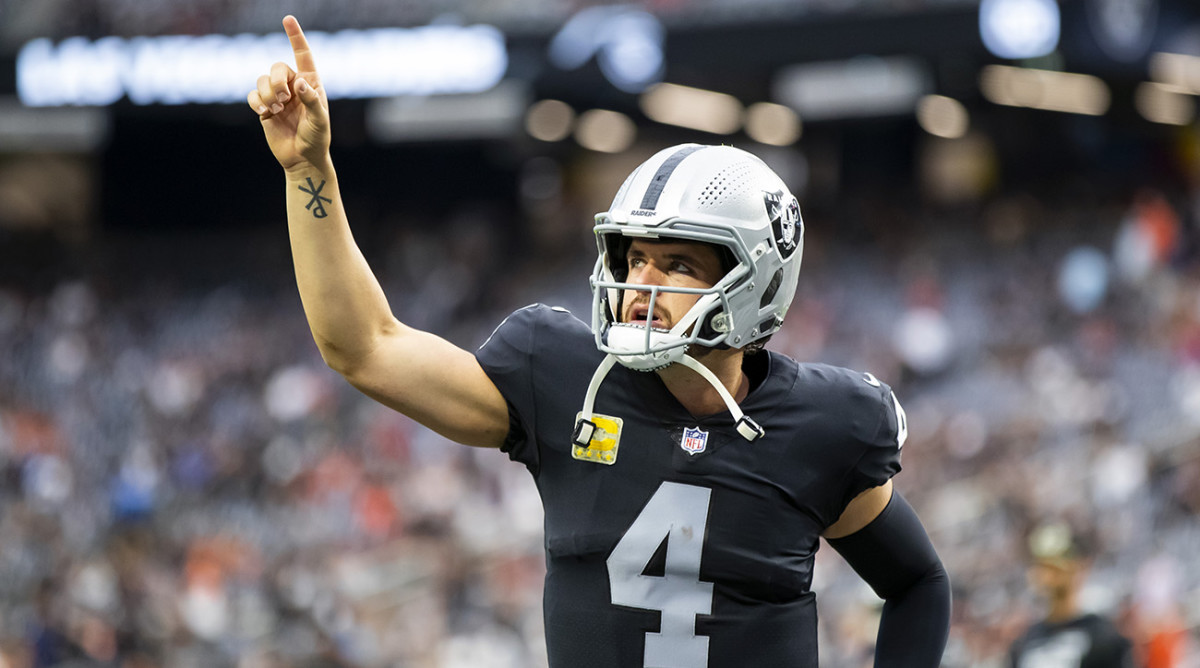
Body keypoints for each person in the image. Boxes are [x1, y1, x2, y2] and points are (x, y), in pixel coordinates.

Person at [249, 15, 951, 667]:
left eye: (677, 264)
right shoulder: (559, 375)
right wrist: (309, 171)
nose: (642, 283)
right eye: (634, 257)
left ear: (755, 283)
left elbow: (917, 582)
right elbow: (364, 346)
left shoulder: (824, 425)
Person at [1009, 522, 1135, 668]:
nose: (1047, 577)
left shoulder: (1102, 638)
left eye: (1054, 568)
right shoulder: (1025, 642)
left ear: (1079, 566)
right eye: (1042, 566)